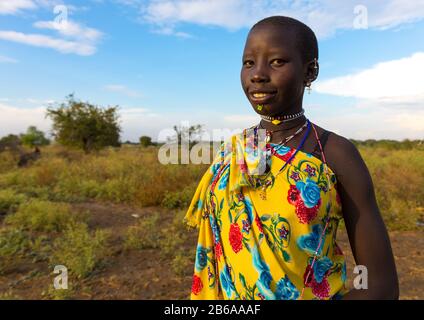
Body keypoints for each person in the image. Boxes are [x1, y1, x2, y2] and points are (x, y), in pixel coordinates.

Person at [184, 16, 399, 300]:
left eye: (276, 62)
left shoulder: (334, 154)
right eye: (249, 62)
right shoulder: (232, 150)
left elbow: (377, 284)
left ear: (310, 72)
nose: (257, 74)